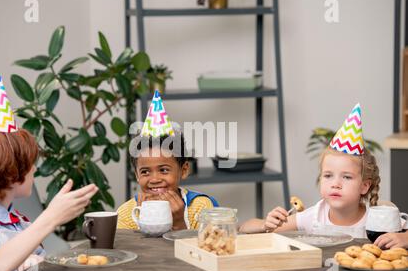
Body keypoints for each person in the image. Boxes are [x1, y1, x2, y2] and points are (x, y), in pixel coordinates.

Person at [0, 77, 98, 271]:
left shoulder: (16, 222)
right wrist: (51, 217)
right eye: (30, 165)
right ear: (10, 175)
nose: (34, 169)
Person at [240, 103, 405, 245]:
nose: (335, 183)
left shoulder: (378, 220)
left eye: (346, 177)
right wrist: (266, 225)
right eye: (328, 175)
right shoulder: (313, 216)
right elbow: (245, 227)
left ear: (364, 186)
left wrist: (404, 239)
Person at [117, 91, 218, 230]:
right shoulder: (126, 214)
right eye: (145, 171)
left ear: (184, 170)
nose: (154, 179)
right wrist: (144, 221)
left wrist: (178, 223)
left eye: (163, 170)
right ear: (136, 175)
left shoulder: (201, 207)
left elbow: (206, 248)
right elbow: (128, 251)